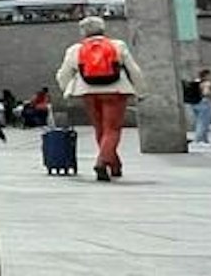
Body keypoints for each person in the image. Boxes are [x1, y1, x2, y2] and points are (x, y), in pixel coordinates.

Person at [55, 15, 146, 183]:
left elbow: (63, 74)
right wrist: (141, 91)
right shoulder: (117, 45)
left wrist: (66, 90)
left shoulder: (75, 49)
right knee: (112, 129)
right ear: (103, 29)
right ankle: (101, 162)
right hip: (115, 90)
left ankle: (115, 164)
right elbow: (134, 70)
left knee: (100, 129)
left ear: (83, 32)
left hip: (88, 91)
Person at [184, 69, 211, 147]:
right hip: (204, 103)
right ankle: (199, 140)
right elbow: (206, 93)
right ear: (206, 75)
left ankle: (205, 140)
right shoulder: (206, 83)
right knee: (203, 122)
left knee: (199, 121)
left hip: (195, 103)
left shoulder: (196, 81)